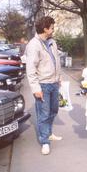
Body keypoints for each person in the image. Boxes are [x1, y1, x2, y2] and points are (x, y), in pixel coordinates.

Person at [26, 16, 62, 155]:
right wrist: (36, 89)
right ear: (45, 29)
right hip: (43, 85)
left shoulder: (52, 42)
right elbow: (30, 70)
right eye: (52, 28)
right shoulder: (33, 45)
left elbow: (56, 60)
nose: (53, 30)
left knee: (54, 110)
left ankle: (49, 132)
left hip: (54, 83)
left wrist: (58, 78)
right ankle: (44, 141)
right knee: (43, 114)